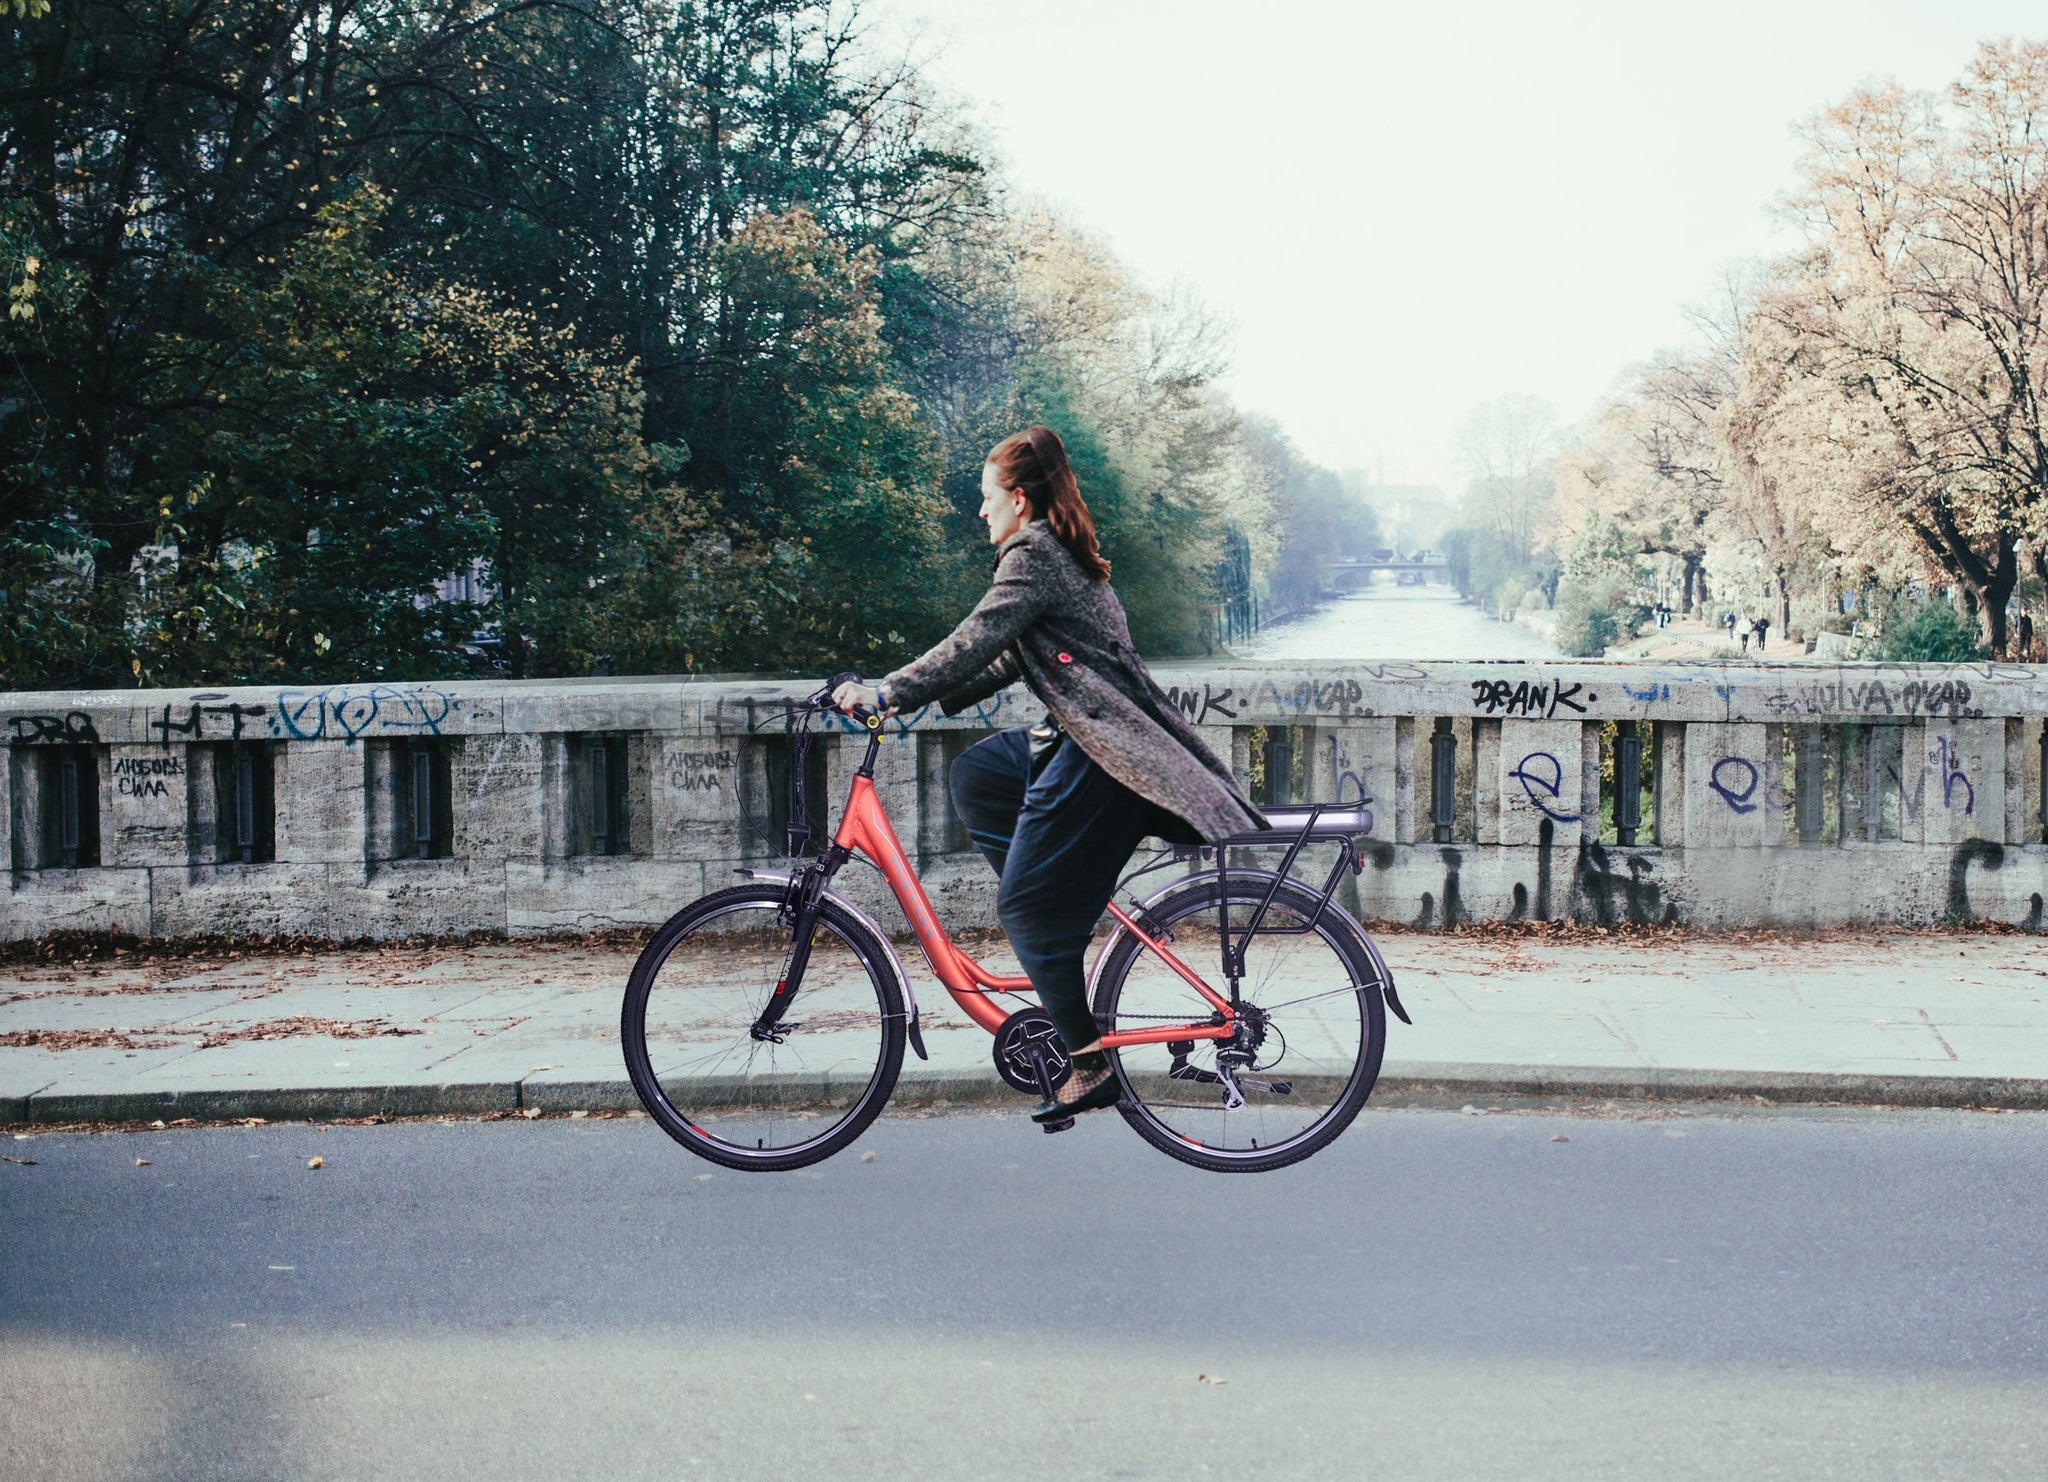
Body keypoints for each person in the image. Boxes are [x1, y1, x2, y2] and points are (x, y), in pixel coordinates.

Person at [830, 427, 1265, 1124]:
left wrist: (889, 692)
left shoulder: (1033, 553)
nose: (980, 512)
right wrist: (929, 695)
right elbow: (1007, 654)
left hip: (1102, 752)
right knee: (979, 774)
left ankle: (1087, 1063)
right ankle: (1056, 912)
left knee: (1025, 913)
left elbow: (974, 637)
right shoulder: (1059, 553)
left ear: (1019, 499)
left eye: (986, 497)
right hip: (1085, 736)